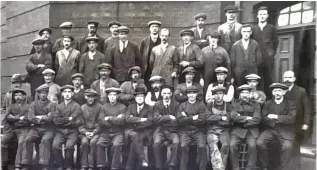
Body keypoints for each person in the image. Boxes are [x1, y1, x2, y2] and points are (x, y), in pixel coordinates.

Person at [257, 83, 298, 170]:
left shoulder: (291, 104)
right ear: (272, 92)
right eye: (275, 91)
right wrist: (275, 123)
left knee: (287, 147)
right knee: (259, 143)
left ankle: (283, 168)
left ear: (283, 92)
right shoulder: (267, 104)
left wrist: (276, 117)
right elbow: (264, 118)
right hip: (270, 130)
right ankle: (265, 166)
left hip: (286, 131)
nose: (277, 93)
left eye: (280, 91)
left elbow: (292, 118)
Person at [22, 85, 57, 170]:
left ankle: (44, 164)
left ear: (47, 94)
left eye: (45, 93)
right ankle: (26, 163)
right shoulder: (33, 104)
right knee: (28, 139)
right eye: (41, 93)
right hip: (35, 129)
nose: (43, 95)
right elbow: (31, 118)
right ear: (38, 94)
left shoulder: (52, 104)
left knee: (45, 140)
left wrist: (38, 117)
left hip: (48, 129)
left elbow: (51, 118)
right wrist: (43, 117)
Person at [229, 84, 261, 170]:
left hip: (251, 131)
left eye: (247, 92)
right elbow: (233, 117)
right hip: (237, 131)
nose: (245, 95)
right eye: (242, 93)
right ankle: (235, 167)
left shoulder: (256, 105)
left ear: (250, 94)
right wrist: (247, 118)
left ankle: (250, 168)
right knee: (232, 146)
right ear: (240, 94)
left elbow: (257, 119)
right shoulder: (234, 104)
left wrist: (241, 119)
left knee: (253, 146)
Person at [177, 85, 207, 170]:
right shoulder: (182, 105)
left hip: (198, 131)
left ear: (197, 94)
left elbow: (202, 120)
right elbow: (179, 121)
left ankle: (202, 168)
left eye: (194, 93)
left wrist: (186, 117)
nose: (192, 95)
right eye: (189, 93)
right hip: (185, 131)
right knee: (183, 146)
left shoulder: (201, 105)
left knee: (202, 146)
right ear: (187, 94)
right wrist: (193, 117)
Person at [52, 85, 82, 170]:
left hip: (72, 132)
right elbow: (56, 120)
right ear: (62, 94)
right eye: (65, 92)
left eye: (69, 92)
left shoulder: (76, 106)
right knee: (55, 146)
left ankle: (68, 165)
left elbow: (77, 122)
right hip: (60, 131)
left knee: (69, 146)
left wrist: (63, 121)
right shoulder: (58, 106)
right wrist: (69, 119)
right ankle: (60, 165)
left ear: (72, 93)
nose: (67, 94)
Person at [252, 6, 279, 97]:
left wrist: (271, 54)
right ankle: (258, 99)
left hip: (268, 59)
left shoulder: (271, 28)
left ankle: (268, 99)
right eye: (260, 14)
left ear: (267, 16)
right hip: (256, 59)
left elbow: (275, 43)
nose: (262, 16)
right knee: (257, 79)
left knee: (268, 79)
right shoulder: (254, 28)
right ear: (257, 16)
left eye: (264, 14)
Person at [97, 87, 125, 170]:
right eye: (110, 95)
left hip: (118, 132)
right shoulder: (103, 107)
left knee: (116, 145)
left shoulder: (122, 107)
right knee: (99, 143)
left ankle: (114, 166)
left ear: (117, 96)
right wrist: (116, 118)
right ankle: (101, 165)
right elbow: (101, 122)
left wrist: (108, 118)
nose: (112, 97)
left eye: (114, 95)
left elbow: (122, 122)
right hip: (105, 132)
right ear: (108, 96)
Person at [152, 85, 180, 170]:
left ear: (171, 94)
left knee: (176, 142)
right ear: (161, 94)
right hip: (159, 130)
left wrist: (162, 118)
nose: (166, 95)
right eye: (164, 93)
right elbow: (156, 119)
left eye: (168, 93)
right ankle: (159, 166)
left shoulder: (176, 104)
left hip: (172, 130)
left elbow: (178, 120)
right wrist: (169, 117)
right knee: (156, 144)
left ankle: (171, 165)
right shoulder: (157, 104)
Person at [125, 87, 152, 170]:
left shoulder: (149, 108)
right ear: (135, 98)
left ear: (144, 98)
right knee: (136, 136)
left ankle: (130, 167)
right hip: (131, 131)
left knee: (135, 140)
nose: (139, 98)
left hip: (144, 132)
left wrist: (134, 121)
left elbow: (150, 121)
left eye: (141, 96)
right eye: (138, 96)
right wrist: (141, 119)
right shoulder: (130, 107)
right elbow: (127, 119)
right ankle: (142, 159)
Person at [2, 88, 30, 170]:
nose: (18, 97)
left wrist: (13, 119)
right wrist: (18, 118)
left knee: (22, 142)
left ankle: (19, 164)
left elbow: (27, 120)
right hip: (11, 130)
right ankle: (3, 164)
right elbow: (7, 117)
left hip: (23, 129)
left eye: (20, 95)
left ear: (24, 96)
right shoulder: (11, 106)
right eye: (16, 95)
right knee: (2, 142)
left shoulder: (28, 107)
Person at [283, 71, 312, 147]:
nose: (287, 79)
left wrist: (306, 123)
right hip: (284, 123)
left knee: (295, 146)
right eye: (285, 77)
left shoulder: (301, 91)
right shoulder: (279, 91)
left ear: (294, 79)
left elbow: (307, 108)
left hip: (297, 123)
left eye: (290, 77)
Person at [206, 86, 231, 170]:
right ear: (213, 95)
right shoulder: (209, 105)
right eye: (216, 94)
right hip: (212, 130)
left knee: (226, 145)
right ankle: (217, 168)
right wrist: (221, 118)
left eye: (220, 93)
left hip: (224, 130)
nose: (218, 96)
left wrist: (215, 118)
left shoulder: (228, 105)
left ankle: (221, 168)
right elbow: (207, 118)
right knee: (213, 146)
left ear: (223, 94)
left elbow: (229, 120)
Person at [78, 89, 103, 170]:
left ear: (95, 97)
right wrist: (85, 132)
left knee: (93, 142)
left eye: (92, 97)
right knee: (84, 142)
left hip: (96, 132)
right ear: (85, 97)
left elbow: (100, 122)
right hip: (84, 133)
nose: (90, 99)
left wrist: (94, 132)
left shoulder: (99, 107)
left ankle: (92, 165)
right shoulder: (82, 108)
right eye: (88, 96)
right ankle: (84, 165)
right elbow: (80, 123)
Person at [140, 20, 162, 85]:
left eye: (156, 27)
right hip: (147, 68)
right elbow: (140, 55)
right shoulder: (144, 41)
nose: (154, 28)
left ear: (158, 29)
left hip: (158, 67)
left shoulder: (161, 40)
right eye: (152, 27)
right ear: (150, 29)